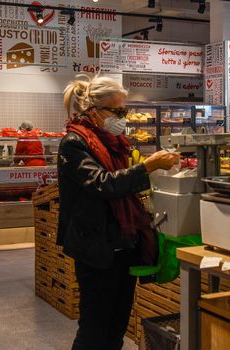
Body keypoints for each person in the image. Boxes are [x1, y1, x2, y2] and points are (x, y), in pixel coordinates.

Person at [57, 74, 180, 350]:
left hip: (123, 245)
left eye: (126, 111)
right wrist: (147, 168)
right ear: (94, 111)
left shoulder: (115, 145)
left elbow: (122, 186)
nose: (123, 118)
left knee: (116, 329)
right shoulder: (74, 144)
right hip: (96, 248)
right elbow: (103, 184)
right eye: (118, 111)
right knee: (93, 330)